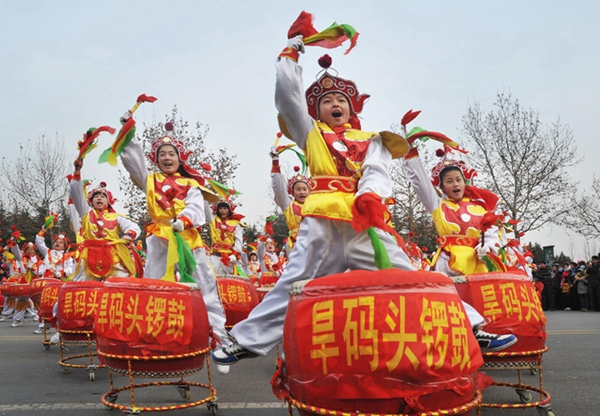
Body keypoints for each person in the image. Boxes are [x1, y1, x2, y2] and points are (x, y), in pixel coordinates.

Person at [213, 35, 443, 367]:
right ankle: (247, 340)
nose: (334, 104)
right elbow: (287, 99)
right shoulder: (310, 133)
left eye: (340, 99)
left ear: (351, 107)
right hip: (321, 222)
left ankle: (469, 325)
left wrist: (367, 195)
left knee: (404, 273)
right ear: (316, 110)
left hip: (362, 221)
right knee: (294, 282)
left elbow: (377, 171)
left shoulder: (373, 139)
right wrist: (290, 58)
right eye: (326, 100)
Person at [118, 118, 230, 374]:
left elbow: (195, 206)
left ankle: (219, 340)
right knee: (154, 284)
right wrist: (128, 132)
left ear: (180, 159)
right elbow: (132, 161)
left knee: (205, 286)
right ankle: (150, 337)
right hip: (159, 238)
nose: (167, 157)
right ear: (155, 159)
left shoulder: (191, 184)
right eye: (162, 154)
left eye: (172, 154)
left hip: (188, 238)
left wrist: (184, 221)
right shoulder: (149, 179)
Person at [402, 145, 518, 351]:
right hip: (449, 262)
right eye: (449, 181)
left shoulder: (480, 208)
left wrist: (487, 247)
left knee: (481, 302)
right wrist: (411, 155)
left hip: (478, 260)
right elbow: (420, 184)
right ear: (442, 187)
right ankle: (455, 343)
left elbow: (492, 234)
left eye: (458, 179)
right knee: (449, 301)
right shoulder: (438, 204)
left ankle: (483, 337)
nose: (455, 184)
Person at [69, 159, 141, 281]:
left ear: (108, 202)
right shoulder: (86, 213)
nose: (99, 198)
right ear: (91, 202)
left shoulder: (116, 216)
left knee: (121, 283)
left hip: (112, 254)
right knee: (81, 287)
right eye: (96, 196)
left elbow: (133, 227)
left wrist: (128, 236)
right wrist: (77, 171)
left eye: (103, 196)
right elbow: (77, 195)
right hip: (89, 256)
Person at [269, 145, 310, 254]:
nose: (302, 192)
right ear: (292, 192)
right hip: (296, 244)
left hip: (315, 243)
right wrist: (275, 161)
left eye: (305, 189)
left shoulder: (314, 206)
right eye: (298, 189)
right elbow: (278, 187)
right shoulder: (288, 205)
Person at [208, 200, 245, 275]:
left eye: (225, 208)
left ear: (229, 210)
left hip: (230, 257)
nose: (222, 210)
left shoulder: (236, 223)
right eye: (220, 208)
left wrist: (234, 255)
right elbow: (205, 209)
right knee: (215, 279)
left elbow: (238, 241)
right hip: (216, 255)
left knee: (233, 280)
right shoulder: (213, 220)